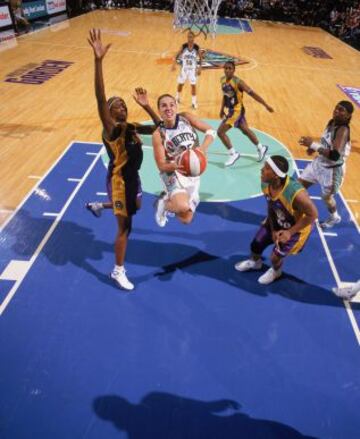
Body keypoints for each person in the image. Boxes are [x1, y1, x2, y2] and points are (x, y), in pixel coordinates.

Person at [86, 29, 161, 291]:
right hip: (119, 181)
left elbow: (158, 128)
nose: (122, 107)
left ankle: (98, 205)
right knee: (125, 227)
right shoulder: (112, 129)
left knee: (137, 206)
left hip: (133, 177)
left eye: (123, 105)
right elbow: (99, 96)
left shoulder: (130, 126)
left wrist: (146, 105)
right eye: (117, 105)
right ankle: (118, 271)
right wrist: (98, 61)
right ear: (108, 112)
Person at [235, 155, 318, 285]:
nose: (262, 170)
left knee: (275, 257)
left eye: (267, 168)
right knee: (256, 244)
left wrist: (289, 232)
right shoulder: (266, 183)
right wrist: (273, 228)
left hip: (296, 229)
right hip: (278, 220)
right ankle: (255, 263)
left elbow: (313, 215)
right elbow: (270, 204)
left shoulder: (296, 193)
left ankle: (276, 271)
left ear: (276, 176)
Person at [152, 94, 216, 227]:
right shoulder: (158, 134)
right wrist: (175, 166)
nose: (168, 108)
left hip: (191, 169)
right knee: (182, 206)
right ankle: (163, 203)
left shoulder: (186, 118)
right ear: (159, 111)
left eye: (171, 104)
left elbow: (211, 131)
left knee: (186, 219)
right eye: (164, 106)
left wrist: (202, 149)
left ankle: (172, 200)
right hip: (172, 172)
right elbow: (161, 165)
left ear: (176, 107)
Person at [298, 100, 354, 228]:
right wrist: (314, 148)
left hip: (332, 172)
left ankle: (334, 217)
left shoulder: (343, 130)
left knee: (326, 198)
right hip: (319, 164)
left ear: (348, 116)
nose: (336, 111)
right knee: (298, 187)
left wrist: (313, 144)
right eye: (336, 108)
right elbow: (326, 142)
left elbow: (335, 155)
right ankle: (293, 213)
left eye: (341, 110)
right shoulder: (332, 122)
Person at [218, 61, 274, 167]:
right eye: (226, 68)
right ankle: (261, 148)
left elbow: (253, 94)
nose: (227, 70)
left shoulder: (238, 82)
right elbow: (225, 95)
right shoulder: (222, 80)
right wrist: (221, 109)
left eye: (230, 68)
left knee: (220, 132)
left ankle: (233, 153)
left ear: (234, 70)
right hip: (231, 110)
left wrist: (266, 105)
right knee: (245, 130)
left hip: (237, 111)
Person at [171, 30, 203, 109]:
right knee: (180, 84)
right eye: (188, 37)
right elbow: (176, 55)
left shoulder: (196, 47)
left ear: (194, 38)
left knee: (193, 86)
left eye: (191, 37)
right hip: (184, 69)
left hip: (192, 70)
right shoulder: (184, 46)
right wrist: (174, 64)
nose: (189, 38)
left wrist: (200, 68)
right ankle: (177, 98)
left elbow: (201, 58)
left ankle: (193, 102)